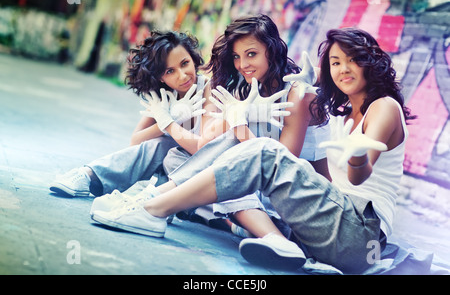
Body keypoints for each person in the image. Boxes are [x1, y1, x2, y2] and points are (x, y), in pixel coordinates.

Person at [91, 27, 414, 274]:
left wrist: (357, 157)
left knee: (262, 151)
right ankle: (149, 203)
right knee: (219, 161)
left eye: (353, 60)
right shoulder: (344, 117)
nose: (343, 69)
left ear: (371, 62)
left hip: (359, 234)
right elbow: (327, 184)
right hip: (328, 229)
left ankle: (152, 211)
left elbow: (359, 175)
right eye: (335, 62)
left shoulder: (383, 108)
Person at [91, 14, 330, 269]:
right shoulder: (249, 88)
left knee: (230, 163)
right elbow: (207, 143)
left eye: (251, 54)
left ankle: (154, 203)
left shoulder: (297, 92)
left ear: (271, 51)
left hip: (293, 200)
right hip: (261, 194)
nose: (242, 64)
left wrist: (237, 124)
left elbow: (280, 163)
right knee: (181, 156)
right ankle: (158, 202)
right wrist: (173, 119)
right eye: (237, 57)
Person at [49, 30, 207, 198]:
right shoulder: (164, 95)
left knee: (163, 147)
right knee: (159, 145)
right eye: (170, 71)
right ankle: (89, 175)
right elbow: (136, 141)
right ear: (161, 77)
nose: (182, 75)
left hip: (201, 169)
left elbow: (204, 150)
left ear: (193, 59)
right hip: (176, 169)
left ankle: (95, 177)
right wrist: (166, 121)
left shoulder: (208, 89)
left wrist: (169, 124)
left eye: (184, 63)